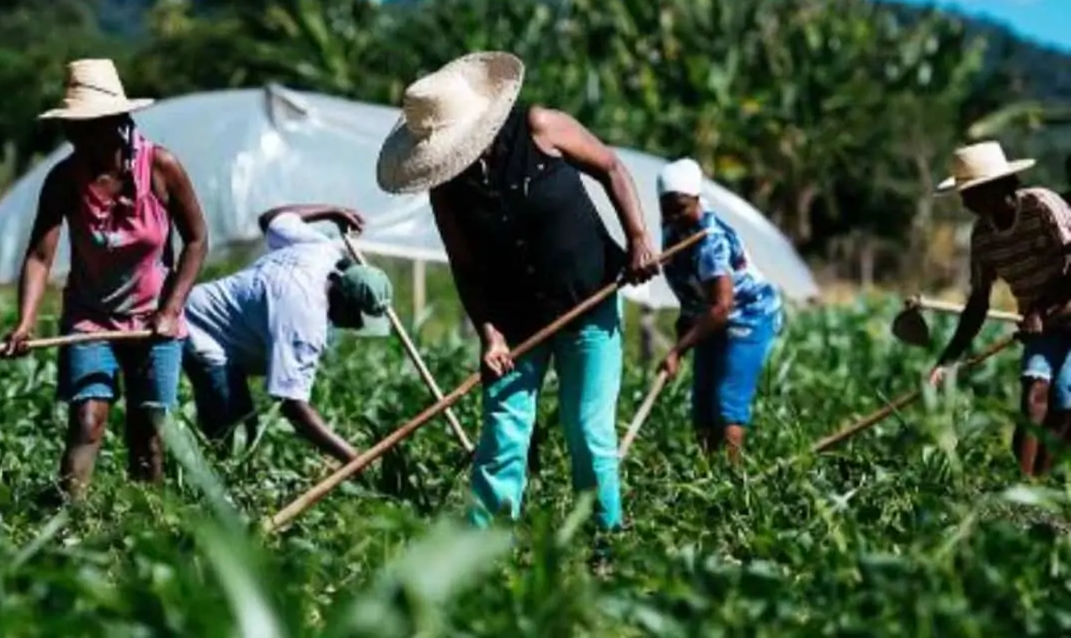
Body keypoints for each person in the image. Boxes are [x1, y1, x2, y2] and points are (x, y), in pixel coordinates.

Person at [375, 51, 660, 539]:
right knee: (504, 435)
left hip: (587, 301)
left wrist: (637, 238)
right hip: (514, 321)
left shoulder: (541, 127)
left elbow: (611, 168)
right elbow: (466, 268)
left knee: (588, 432)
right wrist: (490, 335)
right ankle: (486, 546)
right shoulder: (447, 189)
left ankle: (604, 542)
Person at [3, 58, 209, 501]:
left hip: (154, 321)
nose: (74, 136)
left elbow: (196, 240)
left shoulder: (161, 168)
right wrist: (24, 323)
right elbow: (40, 255)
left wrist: (171, 311)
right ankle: (67, 522)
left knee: (148, 434)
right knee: (87, 421)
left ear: (115, 122)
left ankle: (144, 532)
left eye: (85, 126)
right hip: (90, 317)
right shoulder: (64, 179)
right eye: (71, 127)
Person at [181, 204, 394, 464]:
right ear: (343, 300)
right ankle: (207, 494)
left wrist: (329, 212)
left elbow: (271, 219)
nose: (352, 327)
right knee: (233, 439)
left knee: (240, 434)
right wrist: (354, 459)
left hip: (208, 311)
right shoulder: (303, 320)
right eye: (355, 320)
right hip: (204, 332)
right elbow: (291, 404)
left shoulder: (322, 251)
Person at [929, 141, 1071, 477]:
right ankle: (1020, 487)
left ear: (995, 188)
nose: (964, 202)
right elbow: (978, 302)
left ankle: (1040, 483)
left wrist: (1041, 307)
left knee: (1065, 408)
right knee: (1034, 391)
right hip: (1044, 327)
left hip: (1057, 314)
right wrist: (947, 359)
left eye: (971, 192)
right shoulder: (983, 238)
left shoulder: (1041, 206)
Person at [654, 158, 783, 464]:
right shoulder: (673, 231)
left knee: (726, 406)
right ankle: (707, 478)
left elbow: (722, 306)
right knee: (702, 407)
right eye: (667, 208)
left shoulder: (711, 242)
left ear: (697, 199)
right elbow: (692, 294)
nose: (673, 215)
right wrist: (684, 331)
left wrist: (676, 351)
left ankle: (732, 487)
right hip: (711, 319)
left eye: (681, 207)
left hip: (747, 316)